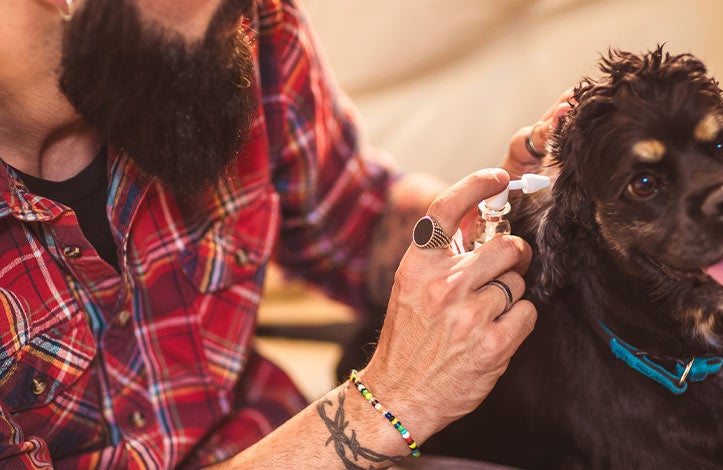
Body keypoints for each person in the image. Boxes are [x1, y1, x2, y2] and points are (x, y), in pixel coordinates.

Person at [0, 0, 568, 467]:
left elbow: (359, 222)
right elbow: (388, 406)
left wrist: (502, 213)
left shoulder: (246, 24)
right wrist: (389, 403)